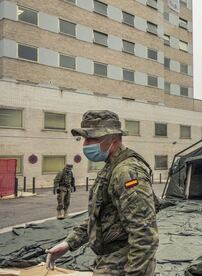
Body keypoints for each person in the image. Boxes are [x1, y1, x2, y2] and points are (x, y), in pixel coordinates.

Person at [46, 110, 159, 275]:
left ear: (113, 138)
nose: (86, 144)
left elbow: (145, 235)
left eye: (93, 138)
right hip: (110, 259)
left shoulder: (127, 171)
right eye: (85, 138)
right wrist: (69, 243)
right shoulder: (111, 166)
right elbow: (100, 215)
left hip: (125, 263)